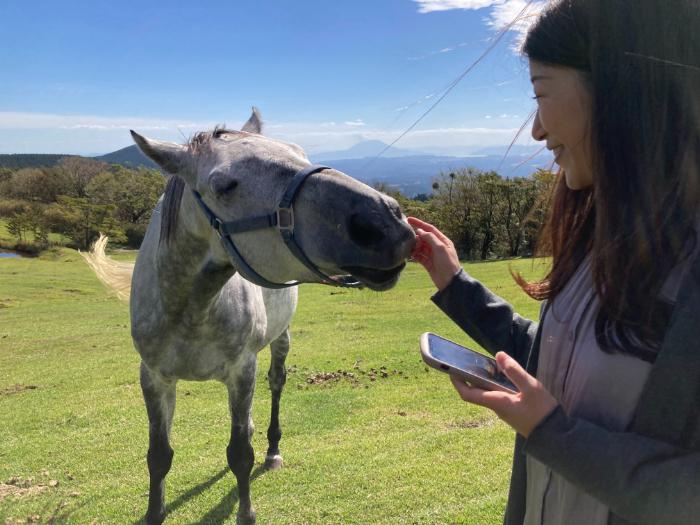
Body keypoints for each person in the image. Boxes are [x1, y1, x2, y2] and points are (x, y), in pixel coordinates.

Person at [408, 1, 700, 524]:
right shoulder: (599, 240)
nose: (538, 130)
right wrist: (454, 283)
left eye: (542, 94)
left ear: (622, 93)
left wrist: (551, 432)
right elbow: (556, 367)